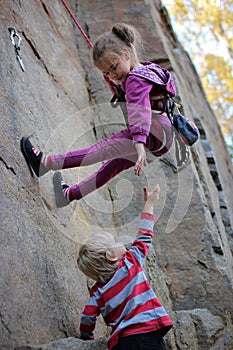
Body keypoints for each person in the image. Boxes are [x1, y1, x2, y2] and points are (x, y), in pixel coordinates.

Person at [20, 23, 175, 207]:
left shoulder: (134, 79)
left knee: (100, 150)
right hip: (162, 136)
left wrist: (139, 142)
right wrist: (119, 89)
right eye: (106, 72)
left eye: (113, 67)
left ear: (126, 54)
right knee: (111, 167)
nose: (111, 75)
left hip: (149, 132)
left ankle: (45, 163)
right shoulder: (148, 69)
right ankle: (68, 195)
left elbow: (138, 110)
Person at [77, 184, 173, 350]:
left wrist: (87, 339)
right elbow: (145, 235)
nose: (120, 241)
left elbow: (87, 317)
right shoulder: (131, 262)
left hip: (121, 343)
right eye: (115, 242)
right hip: (147, 334)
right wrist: (149, 204)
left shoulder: (97, 292)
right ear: (111, 256)